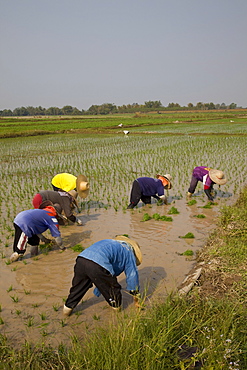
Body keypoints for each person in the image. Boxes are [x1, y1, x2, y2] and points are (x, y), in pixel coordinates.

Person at [63, 235, 142, 316]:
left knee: (78, 289)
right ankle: (117, 315)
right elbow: (132, 275)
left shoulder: (107, 241)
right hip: (97, 264)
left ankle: (66, 312)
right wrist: (135, 294)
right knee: (113, 291)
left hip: (81, 259)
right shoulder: (128, 251)